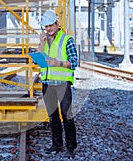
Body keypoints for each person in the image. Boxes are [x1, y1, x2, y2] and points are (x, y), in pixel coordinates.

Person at [37, 10, 78, 157]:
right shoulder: (45, 40)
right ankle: (57, 145)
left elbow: (74, 62)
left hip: (62, 83)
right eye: (46, 27)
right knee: (53, 116)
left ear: (57, 24)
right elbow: (39, 59)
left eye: (50, 25)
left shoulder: (67, 40)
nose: (48, 29)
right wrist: (41, 43)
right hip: (47, 83)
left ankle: (71, 147)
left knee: (66, 115)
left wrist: (58, 63)